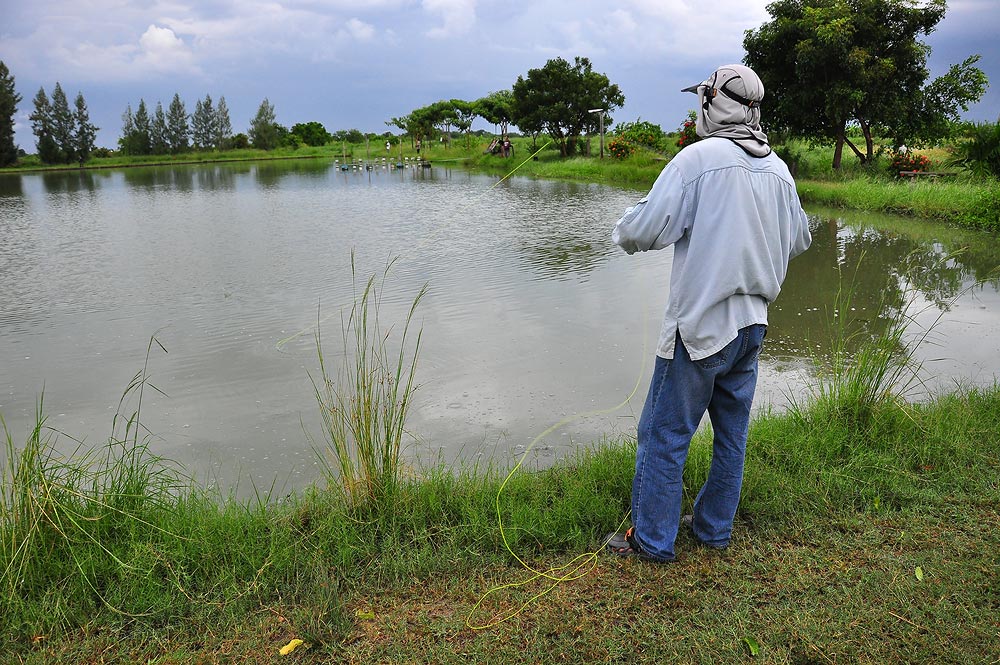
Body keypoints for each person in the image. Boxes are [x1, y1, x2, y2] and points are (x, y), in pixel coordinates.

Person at [606, 64, 812, 563]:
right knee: (732, 436)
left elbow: (639, 233)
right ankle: (713, 530)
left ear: (713, 102)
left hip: (700, 332)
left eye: (701, 98)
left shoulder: (696, 161)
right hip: (752, 327)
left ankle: (652, 542)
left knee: (663, 436)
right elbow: (801, 238)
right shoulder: (778, 169)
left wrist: (639, 210)